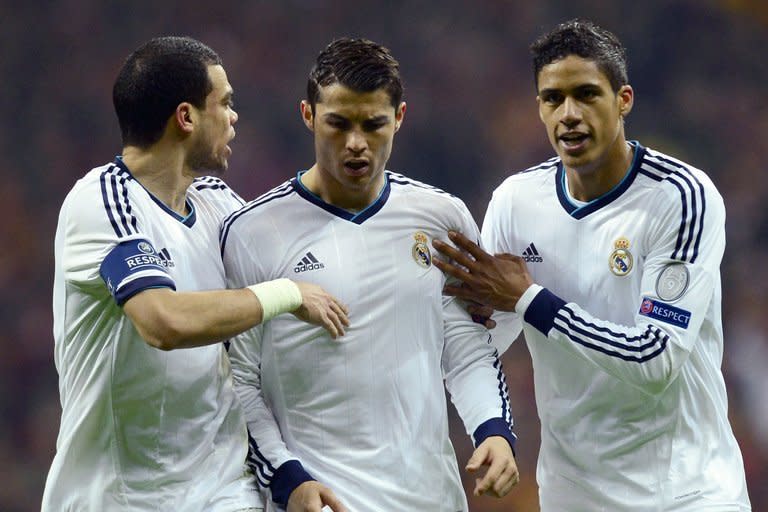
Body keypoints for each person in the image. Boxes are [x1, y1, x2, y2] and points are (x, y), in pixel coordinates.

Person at [432, 19, 752, 511]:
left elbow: (656, 358)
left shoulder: (681, 198)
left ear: (623, 99)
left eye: (586, 94)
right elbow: (479, 340)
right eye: (552, 99)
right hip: (573, 495)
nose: (569, 114)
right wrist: (492, 427)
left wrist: (529, 299)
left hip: (685, 492)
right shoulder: (517, 202)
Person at [42, 36, 349, 512]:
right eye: (224, 103)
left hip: (222, 490)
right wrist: (286, 293)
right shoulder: (103, 201)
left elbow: (303, 263)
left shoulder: (216, 203)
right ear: (186, 118)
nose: (234, 116)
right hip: (119, 496)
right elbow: (163, 322)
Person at [221, 38, 518, 512]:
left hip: (429, 498)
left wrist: (494, 430)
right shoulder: (251, 233)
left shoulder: (441, 218)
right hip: (323, 500)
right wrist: (287, 478)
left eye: (373, 124)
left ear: (399, 117)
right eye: (339, 124)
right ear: (308, 115)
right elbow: (237, 383)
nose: (356, 143)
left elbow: (465, 347)